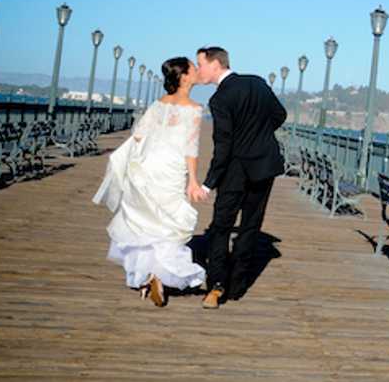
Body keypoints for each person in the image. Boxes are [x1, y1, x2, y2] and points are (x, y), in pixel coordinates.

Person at [92, 57, 206, 307]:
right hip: (171, 168)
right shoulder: (195, 108)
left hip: (147, 165)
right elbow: (191, 148)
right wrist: (193, 181)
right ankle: (158, 275)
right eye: (193, 68)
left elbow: (138, 135)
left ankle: (148, 274)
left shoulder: (158, 104)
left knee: (146, 220)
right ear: (184, 77)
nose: (198, 71)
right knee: (167, 221)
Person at [194, 46, 287, 309]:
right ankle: (237, 286)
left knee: (221, 226)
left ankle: (217, 285)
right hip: (265, 165)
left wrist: (209, 182)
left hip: (235, 170)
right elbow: (280, 115)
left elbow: (223, 145)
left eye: (201, 64)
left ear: (215, 64)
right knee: (250, 226)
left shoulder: (220, 99)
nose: (199, 70)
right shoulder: (257, 83)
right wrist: (259, 136)